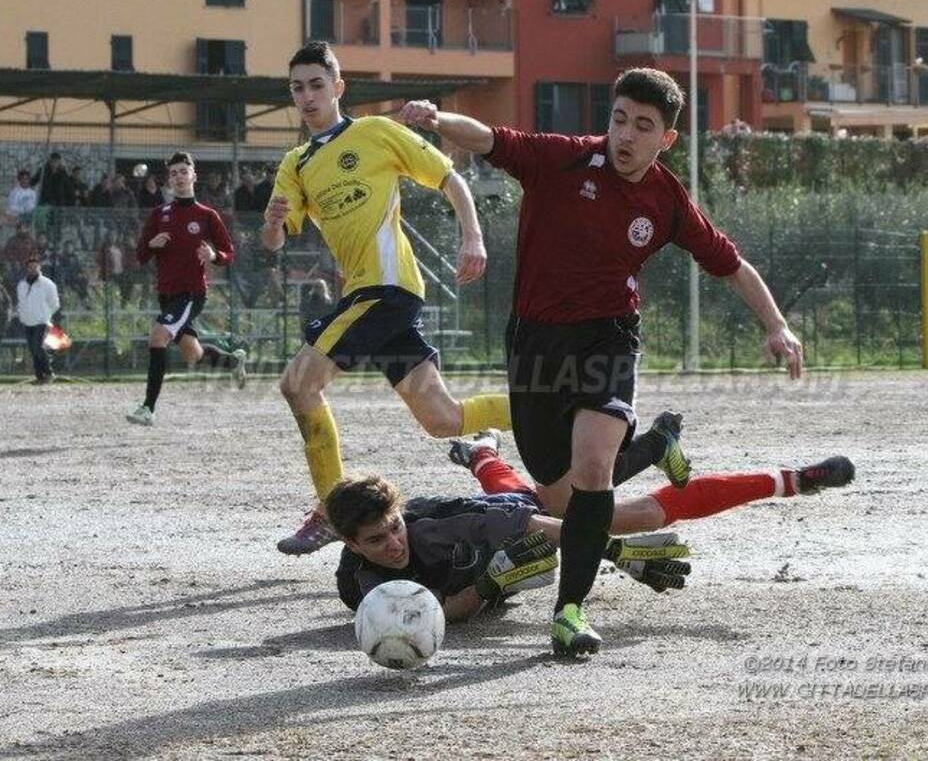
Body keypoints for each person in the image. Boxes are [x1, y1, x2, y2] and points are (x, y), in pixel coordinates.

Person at [400, 67, 805, 656]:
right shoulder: (562, 159)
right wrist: (439, 120)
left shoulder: (666, 199)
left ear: (666, 138)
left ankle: (569, 611)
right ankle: (656, 446)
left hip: (609, 339)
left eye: (643, 126)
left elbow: (730, 264)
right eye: (619, 119)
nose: (626, 135)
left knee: (593, 474)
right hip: (535, 342)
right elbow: (488, 137)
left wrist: (777, 325)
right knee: (558, 491)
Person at [260, 41, 513, 556]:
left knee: (298, 385)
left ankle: (331, 510)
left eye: (316, 84)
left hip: (388, 289)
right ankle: (550, 407)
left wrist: (473, 236)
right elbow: (275, 239)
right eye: (297, 87)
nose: (307, 96)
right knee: (442, 418)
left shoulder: (375, 133)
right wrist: (270, 224)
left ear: (338, 88)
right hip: (367, 297)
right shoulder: (297, 163)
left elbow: (450, 178)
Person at [330, 431, 855, 620]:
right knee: (532, 509)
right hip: (494, 565)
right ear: (351, 544)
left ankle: (792, 480)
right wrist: (489, 584)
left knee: (627, 516)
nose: (393, 543)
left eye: (394, 527)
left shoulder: (434, 526)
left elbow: (544, 522)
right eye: (377, 539)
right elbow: (442, 615)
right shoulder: (362, 589)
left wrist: (618, 555)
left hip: (508, 526)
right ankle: (483, 451)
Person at [125, 151, 247, 427]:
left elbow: (229, 252)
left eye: (184, 171)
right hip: (166, 294)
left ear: (194, 175)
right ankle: (233, 362)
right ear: (169, 180)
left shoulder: (206, 215)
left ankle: (147, 408)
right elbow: (141, 255)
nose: (179, 176)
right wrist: (152, 245)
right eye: (174, 173)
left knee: (158, 336)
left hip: (192, 293)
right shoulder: (159, 215)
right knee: (193, 354)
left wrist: (214, 256)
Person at [15, 256, 60, 384]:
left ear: (39, 268)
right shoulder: (21, 285)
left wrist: (46, 315)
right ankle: (39, 376)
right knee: (33, 349)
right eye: (30, 267)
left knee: (39, 347)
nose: (33, 269)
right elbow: (21, 303)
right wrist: (23, 316)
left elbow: (55, 303)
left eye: (35, 266)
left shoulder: (47, 284)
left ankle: (49, 373)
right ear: (26, 269)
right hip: (28, 322)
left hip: (42, 321)